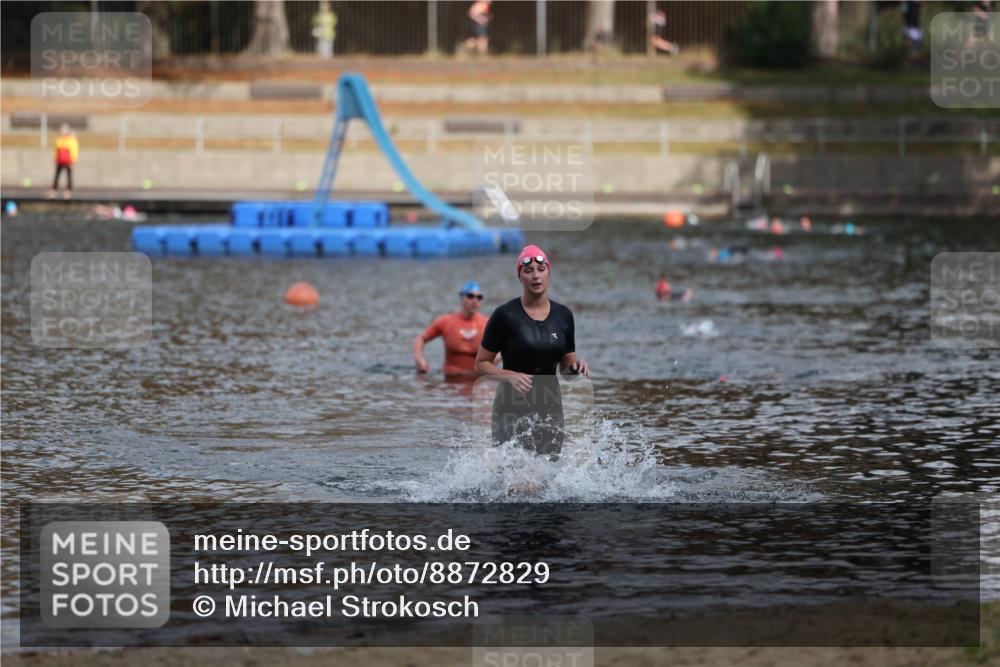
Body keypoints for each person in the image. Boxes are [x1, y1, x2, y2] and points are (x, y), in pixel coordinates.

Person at [475, 245, 589, 459]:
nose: (536, 275)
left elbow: (566, 370)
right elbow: (481, 365)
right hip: (510, 406)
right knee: (516, 483)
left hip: (550, 405)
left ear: (548, 272)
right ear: (520, 276)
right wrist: (510, 376)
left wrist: (576, 368)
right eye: (528, 271)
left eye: (541, 269)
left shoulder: (563, 315)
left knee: (545, 480)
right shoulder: (504, 315)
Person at [413, 281, 490, 377]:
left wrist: (495, 360)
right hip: (450, 380)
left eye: (479, 297)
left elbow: (505, 346)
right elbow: (420, 339)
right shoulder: (446, 321)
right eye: (470, 296)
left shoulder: (488, 324)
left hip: (475, 380)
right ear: (461, 298)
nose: (475, 300)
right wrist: (419, 359)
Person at [49, 124, 78, 200]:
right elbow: (57, 150)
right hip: (60, 160)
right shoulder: (59, 139)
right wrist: (55, 158)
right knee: (57, 175)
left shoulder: (72, 140)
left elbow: (74, 151)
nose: (62, 133)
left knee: (69, 176)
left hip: (68, 161)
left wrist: (72, 161)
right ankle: (54, 190)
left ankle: (68, 191)